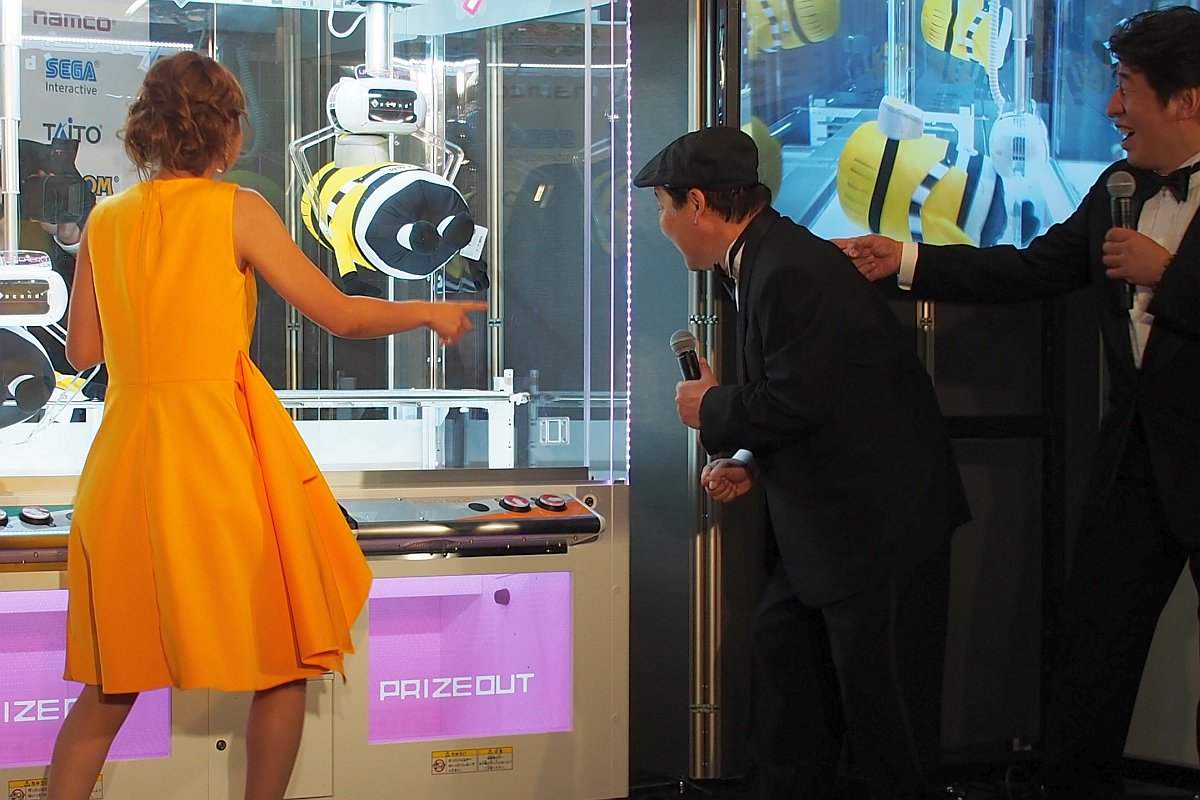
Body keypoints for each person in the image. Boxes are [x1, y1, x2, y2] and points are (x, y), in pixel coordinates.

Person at [46, 51, 486, 800]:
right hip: (216, 455)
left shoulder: (105, 219)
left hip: (125, 464)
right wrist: (427, 310)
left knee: (113, 679)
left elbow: (83, 351)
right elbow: (339, 315)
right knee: (283, 659)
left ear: (147, 128)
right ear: (227, 130)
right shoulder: (238, 209)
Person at [836, 7, 1200, 798]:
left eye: (1127, 87)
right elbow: (1034, 269)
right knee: (1092, 657)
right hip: (1133, 463)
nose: (1112, 108)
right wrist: (907, 260)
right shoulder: (1119, 189)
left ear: (1186, 100)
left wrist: (1171, 277)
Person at [634, 126, 970, 800]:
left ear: (697, 203)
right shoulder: (765, 258)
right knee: (786, 665)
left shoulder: (788, 267)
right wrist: (750, 456)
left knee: (888, 724)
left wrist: (713, 407)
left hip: (877, 530)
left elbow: (798, 399)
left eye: (664, 207)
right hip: (833, 532)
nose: (662, 225)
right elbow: (818, 394)